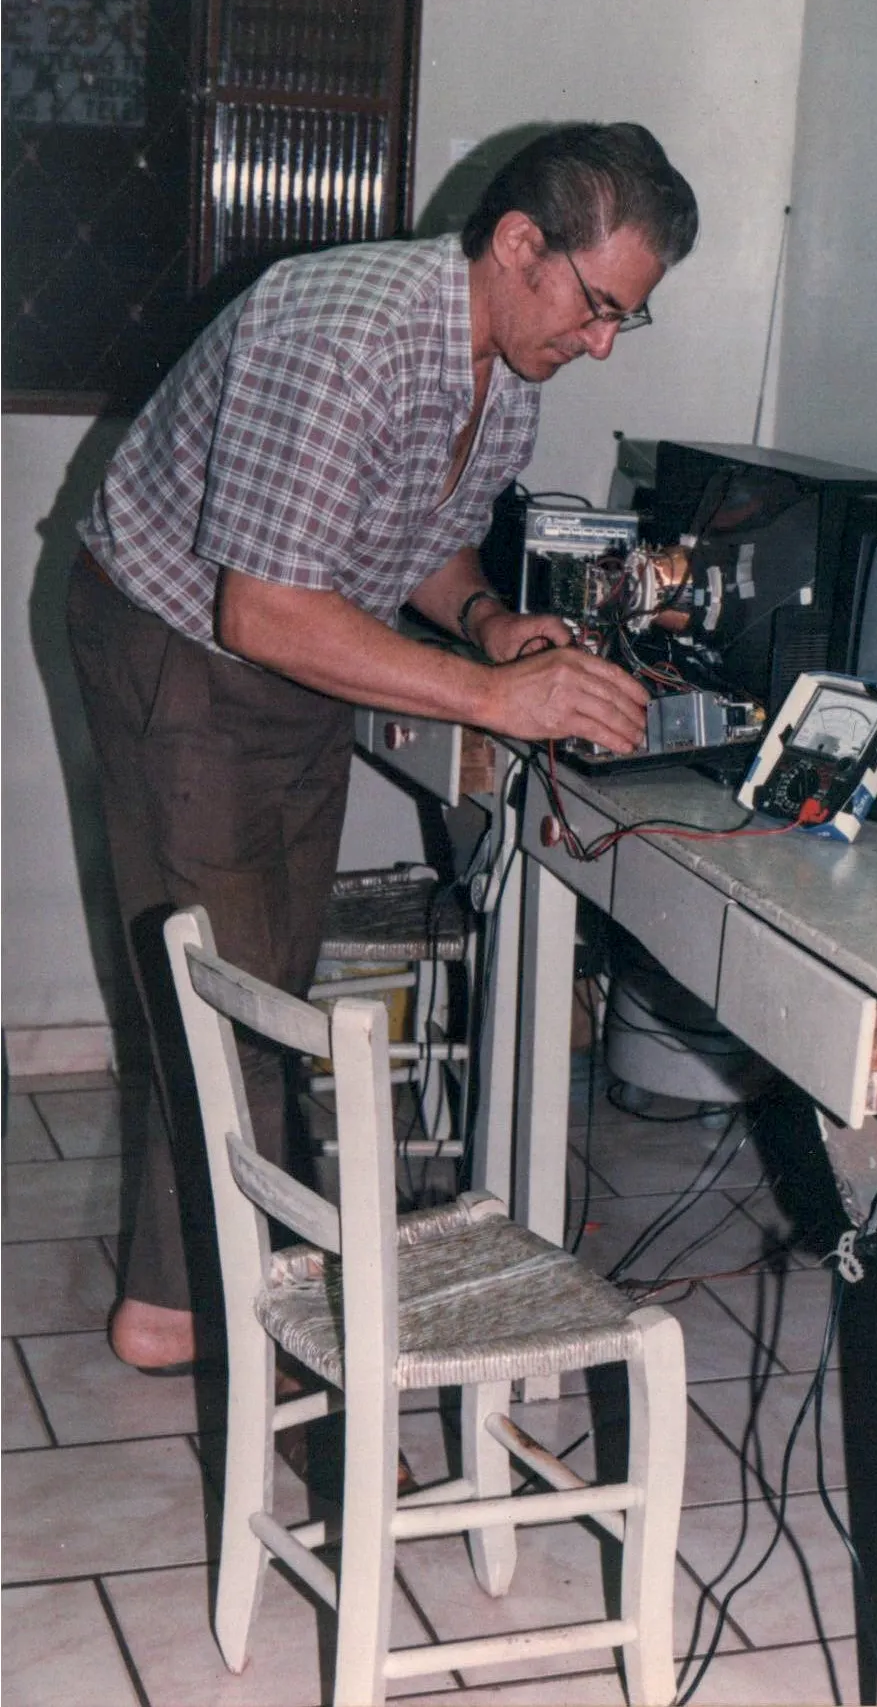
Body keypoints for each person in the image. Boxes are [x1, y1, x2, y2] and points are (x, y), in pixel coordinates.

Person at [67, 121, 699, 1373]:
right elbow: (260, 608)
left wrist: (485, 621)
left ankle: (165, 1304)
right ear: (521, 244)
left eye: (628, 318)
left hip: (289, 643)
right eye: (599, 306)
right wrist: (487, 697)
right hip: (177, 640)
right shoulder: (340, 331)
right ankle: (269, 1357)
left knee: (259, 975)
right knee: (241, 1003)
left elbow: (415, 535)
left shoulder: (503, 372)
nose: (603, 343)